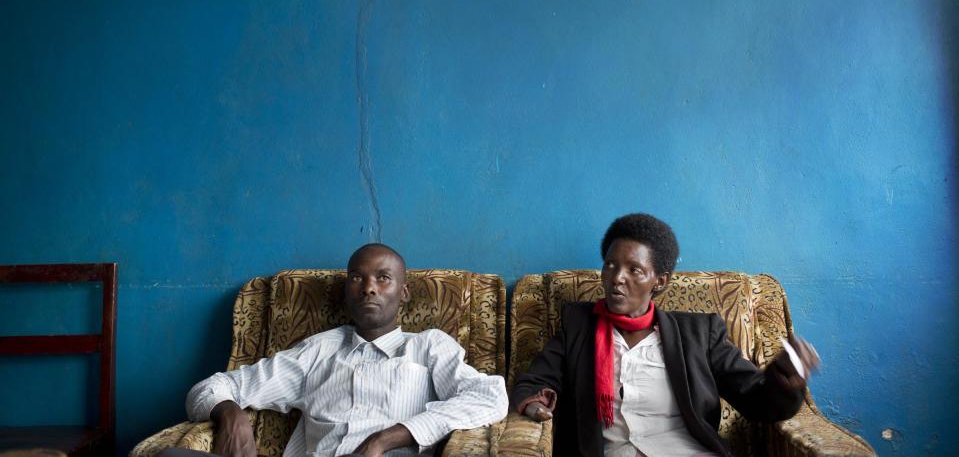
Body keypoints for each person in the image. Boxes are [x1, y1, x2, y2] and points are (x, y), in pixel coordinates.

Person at [511, 213, 820, 457]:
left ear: (659, 280)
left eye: (634, 270)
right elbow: (535, 381)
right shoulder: (579, 326)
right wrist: (537, 404)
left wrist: (783, 378)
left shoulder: (700, 333)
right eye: (610, 265)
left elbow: (755, 400)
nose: (617, 278)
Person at [159, 243, 508, 457]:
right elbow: (208, 389)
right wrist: (231, 416)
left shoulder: (427, 347)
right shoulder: (318, 350)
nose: (369, 288)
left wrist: (385, 440)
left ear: (403, 293)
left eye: (383, 278)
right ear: (346, 290)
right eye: (357, 277)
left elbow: (490, 397)